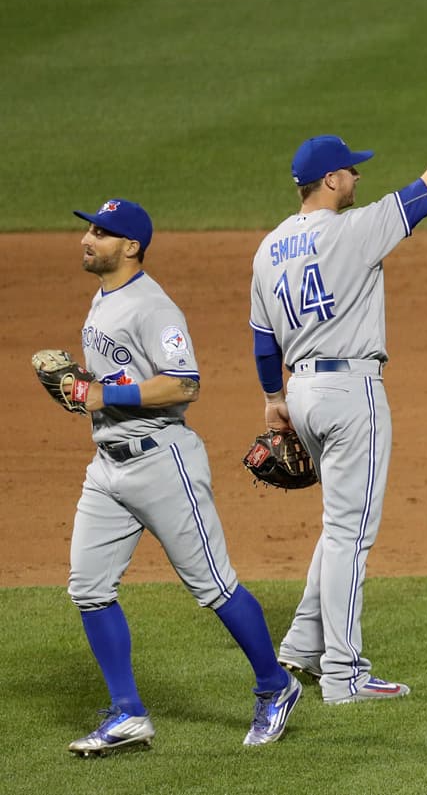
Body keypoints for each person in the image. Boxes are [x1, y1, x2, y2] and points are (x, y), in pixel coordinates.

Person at [249, 65, 427, 704]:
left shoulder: (268, 248)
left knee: (338, 526)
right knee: (350, 534)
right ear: (332, 180)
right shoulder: (354, 231)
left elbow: (263, 340)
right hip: (350, 393)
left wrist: (274, 399)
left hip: (303, 392)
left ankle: (300, 651)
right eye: (353, 171)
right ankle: (344, 674)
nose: (359, 178)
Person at [63, 198, 301, 756]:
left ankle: (276, 685)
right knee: (89, 588)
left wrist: (102, 394)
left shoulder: (154, 308)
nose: (87, 239)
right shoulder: (102, 300)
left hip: (161, 461)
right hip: (108, 468)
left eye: (101, 232)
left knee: (213, 586)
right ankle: (128, 714)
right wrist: (81, 390)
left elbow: (184, 383)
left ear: (132, 246)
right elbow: (115, 380)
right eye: (89, 229)